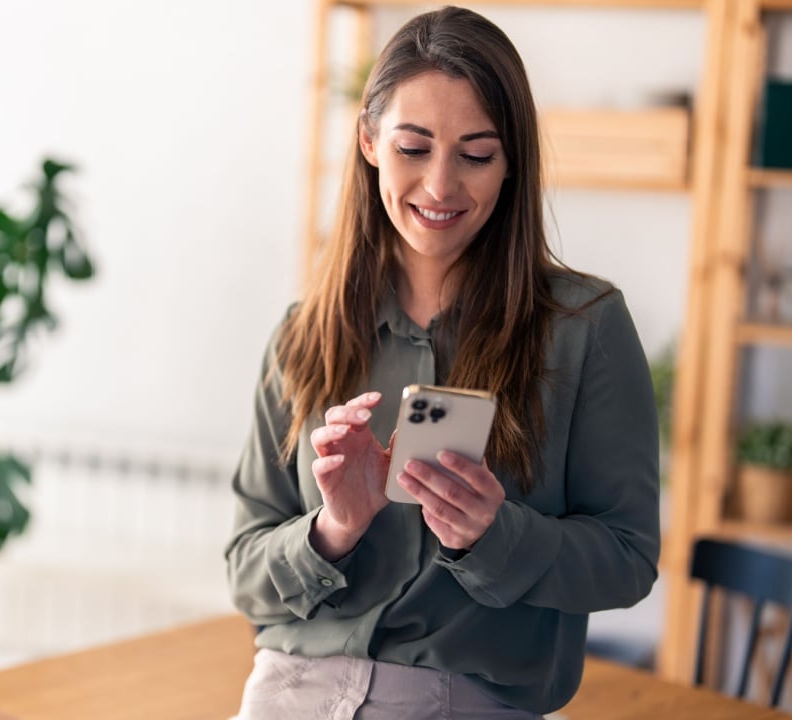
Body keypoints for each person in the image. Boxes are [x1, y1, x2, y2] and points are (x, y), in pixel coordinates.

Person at [224, 6, 660, 719]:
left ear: (512, 158)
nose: (439, 186)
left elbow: (627, 560)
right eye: (412, 148)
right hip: (289, 693)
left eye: (476, 154)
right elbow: (245, 568)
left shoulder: (585, 330)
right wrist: (334, 529)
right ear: (368, 140)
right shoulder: (305, 334)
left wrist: (495, 535)